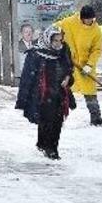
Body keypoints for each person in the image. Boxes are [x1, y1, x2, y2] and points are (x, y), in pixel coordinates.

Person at [15, 25, 75, 160]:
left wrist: (68, 78)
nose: (58, 44)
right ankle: (47, 147)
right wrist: (24, 98)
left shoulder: (63, 50)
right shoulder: (36, 53)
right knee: (47, 120)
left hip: (60, 92)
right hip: (42, 93)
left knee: (57, 120)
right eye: (55, 41)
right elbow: (27, 77)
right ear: (48, 39)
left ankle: (51, 146)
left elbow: (69, 68)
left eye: (60, 40)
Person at [56, 5, 102, 126]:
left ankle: (96, 117)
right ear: (81, 18)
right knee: (61, 89)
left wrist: (89, 65)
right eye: (87, 19)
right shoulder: (69, 22)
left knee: (90, 92)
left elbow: (97, 50)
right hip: (68, 62)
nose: (90, 21)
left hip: (85, 65)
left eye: (91, 19)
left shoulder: (96, 30)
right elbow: (54, 30)